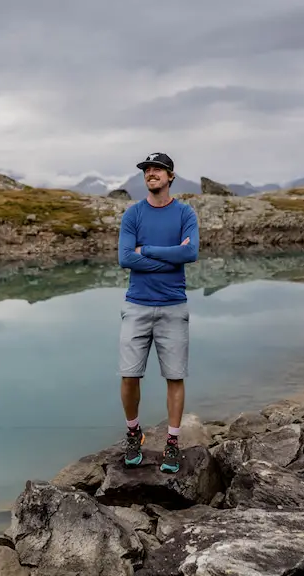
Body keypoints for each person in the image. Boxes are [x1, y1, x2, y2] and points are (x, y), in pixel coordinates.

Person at [116, 152, 199, 474]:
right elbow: (125, 258)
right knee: (129, 375)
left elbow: (190, 252)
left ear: (171, 176)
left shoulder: (185, 213)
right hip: (136, 304)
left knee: (175, 376)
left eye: (158, 169)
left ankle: (173, 443)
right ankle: (133, 432)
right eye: (147, 170)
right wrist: (170, 258)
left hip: (173, 306)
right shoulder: (133, 214)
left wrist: (147, 250)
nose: (151, 173)